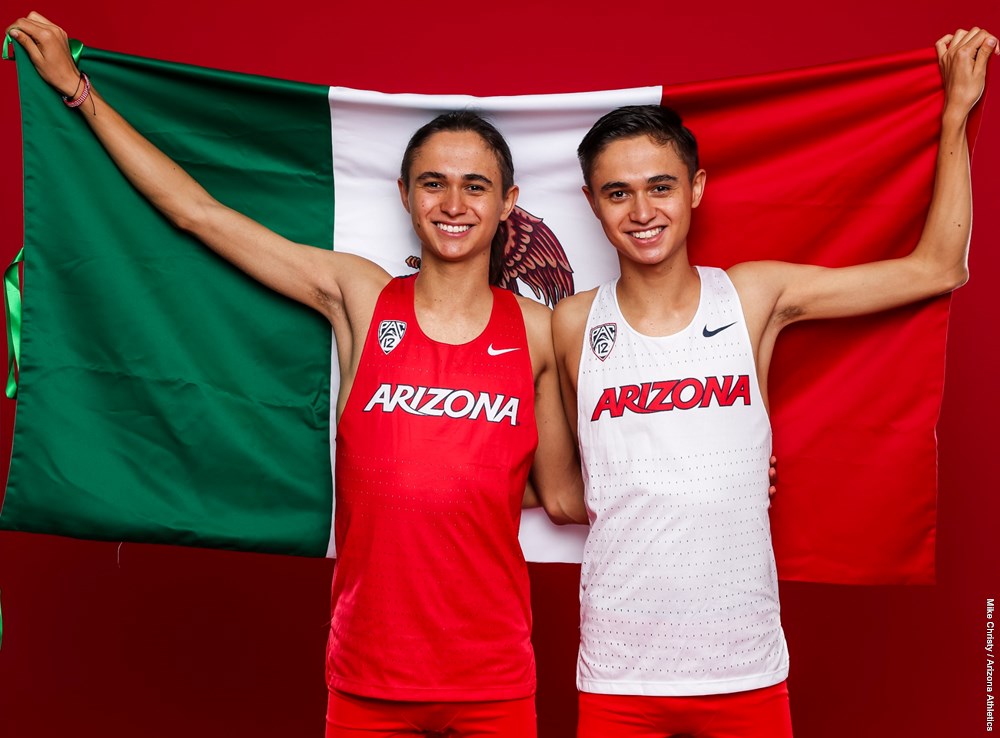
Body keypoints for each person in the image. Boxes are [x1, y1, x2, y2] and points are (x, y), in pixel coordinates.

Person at [6, 12, 589, 737]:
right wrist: (79, 92)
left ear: (508, 204)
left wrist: (711, 472)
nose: (453, 203)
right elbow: (199, 216)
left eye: (476, 186)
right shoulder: (361, 297)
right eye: (433, 183)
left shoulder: (538, 330)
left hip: (494, 676)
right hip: (369, 674)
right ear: (406, 196)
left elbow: (564, 495)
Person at [551, 26, 997, 738]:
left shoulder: (751, 297)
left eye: (661, 187)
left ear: (695, 188)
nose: (642, 212)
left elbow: (937, 268)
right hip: (619, 673)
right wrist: (675, 483)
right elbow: (566, 491)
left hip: (744, 669)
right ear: (591, 201)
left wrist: (955, 115)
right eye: (618, 193)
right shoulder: (571, 324)